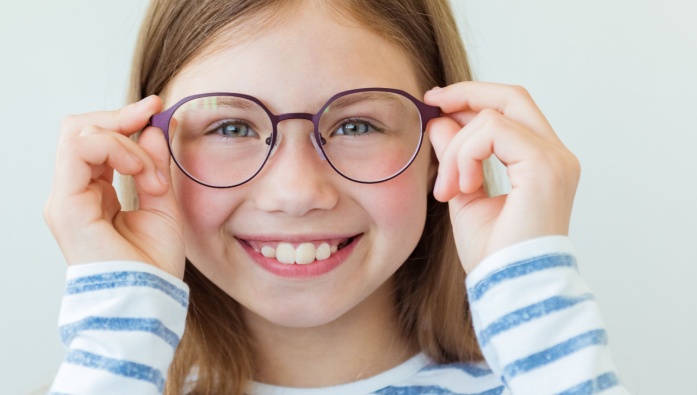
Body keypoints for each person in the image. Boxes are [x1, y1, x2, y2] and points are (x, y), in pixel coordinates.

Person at [44, 0, 629, 393]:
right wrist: (119, 329)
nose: (297, 192)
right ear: (146, 151)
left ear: (443, 141)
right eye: (230, 128)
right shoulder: (114, 378)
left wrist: (529, 279)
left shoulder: (546, 378)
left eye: (356, 126)